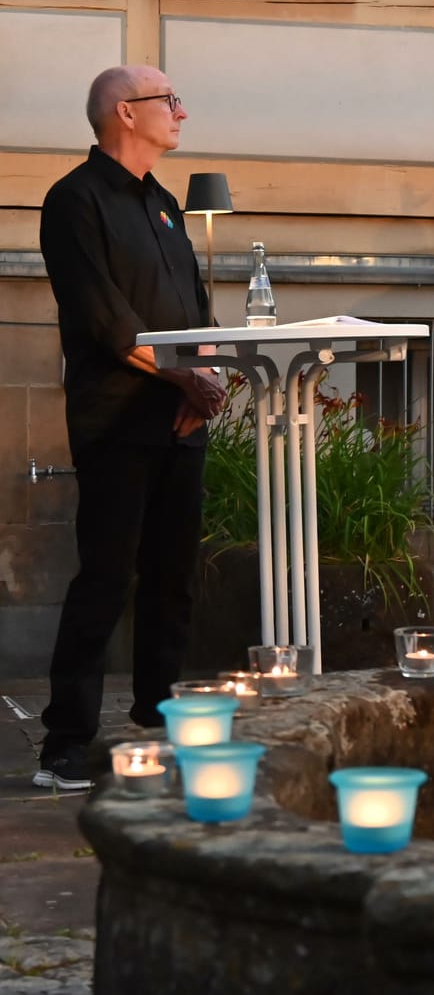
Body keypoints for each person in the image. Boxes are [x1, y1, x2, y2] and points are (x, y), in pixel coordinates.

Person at [36, 66, 227, 791]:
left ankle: (158, 717)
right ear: (125, 112)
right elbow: (102, 315)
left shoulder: (166, 204)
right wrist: (183, 378)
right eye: (168, 100)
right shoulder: (73, 200)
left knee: (174, 578)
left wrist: (206, 377)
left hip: (181, 415)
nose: (182, 111)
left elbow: (195, 306)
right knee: (106, 578)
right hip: (117, 419)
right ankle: (65, 743)